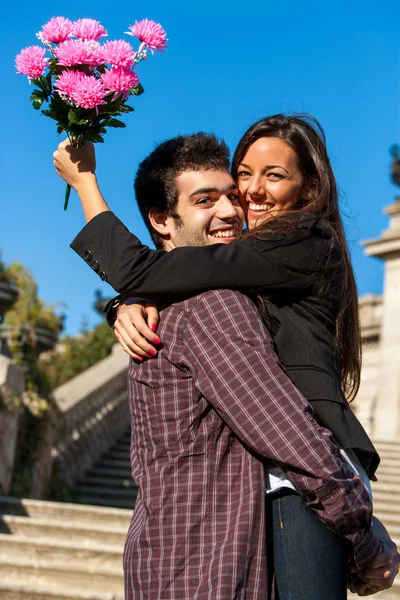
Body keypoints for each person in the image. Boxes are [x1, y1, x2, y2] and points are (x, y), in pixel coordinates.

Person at [53, 128, 399, 599]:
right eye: (206, 199)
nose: (234, 209)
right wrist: (362, 536)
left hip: (174, 558)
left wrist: (127, 299)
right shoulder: (213, 305)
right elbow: (293, 438)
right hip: (209, 567)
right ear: (161, 219)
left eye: (231, 196)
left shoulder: (214, 292)